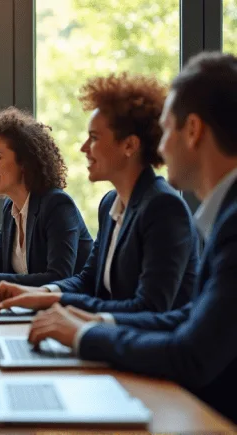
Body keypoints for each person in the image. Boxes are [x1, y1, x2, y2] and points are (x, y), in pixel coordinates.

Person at [26, 51, 237, 423]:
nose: (161, 145)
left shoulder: (221, 220)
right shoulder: (224, 215)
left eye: (166, 127)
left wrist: (84, 334)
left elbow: (189, 351)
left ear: (193, 130)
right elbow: (190, 316)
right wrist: (90, 322)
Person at [0, 73, 198, 314]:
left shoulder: (163, 208)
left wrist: (64, 311)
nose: (84, 148)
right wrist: (38, 293)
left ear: (129, 146)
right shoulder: (111, 202)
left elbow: (149, 308)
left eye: (94, 138)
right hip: (116, 340)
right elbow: (87, 279)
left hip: (150, 346)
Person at [0, 108, 93, 288]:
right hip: (30, 307)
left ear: (25, 162)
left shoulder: (57, 205)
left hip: (71, 310)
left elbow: (58, 277)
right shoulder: (11, 205)